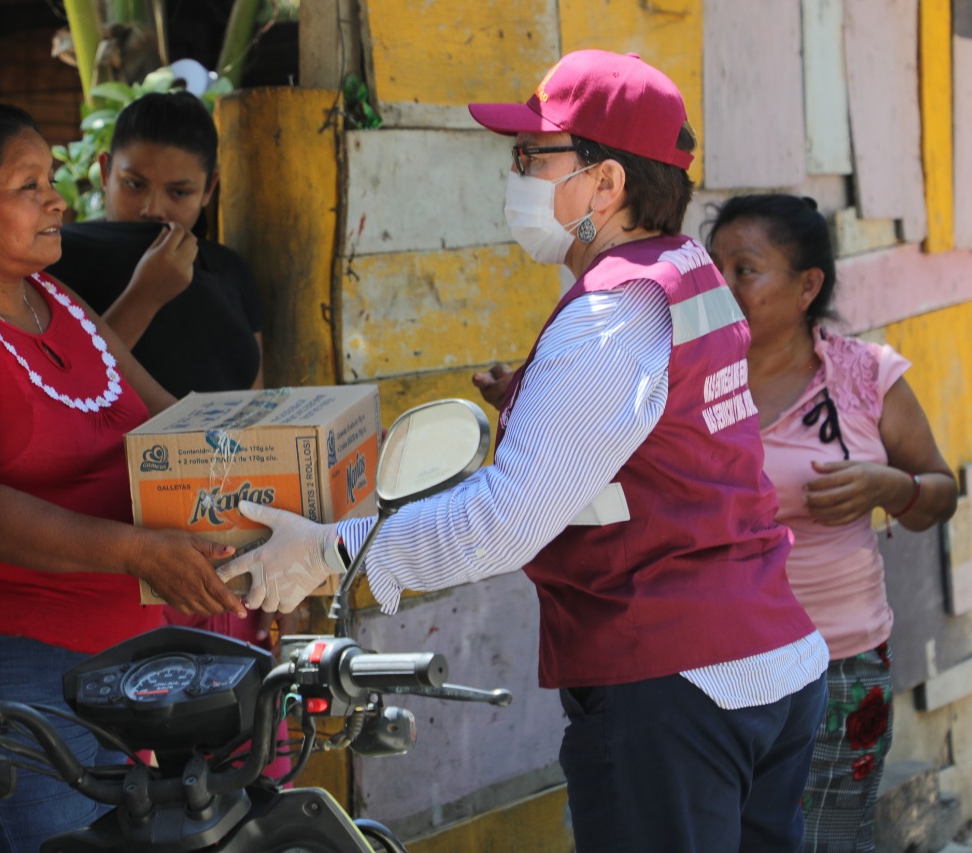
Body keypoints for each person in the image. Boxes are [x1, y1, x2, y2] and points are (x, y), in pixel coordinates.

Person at [220, 50, 831, 851]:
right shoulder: (684, 272)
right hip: (767, 660)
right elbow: (654, 435)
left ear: (605, 183)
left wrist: (330, 551)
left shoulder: (611, 313)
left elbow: (504, 521)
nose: (515, 176)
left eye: (532, 156)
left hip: (677, 681)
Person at [0, 101, 244, 852]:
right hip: (4, 655)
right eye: (29, 186)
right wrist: (137, 550)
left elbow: (175, 423)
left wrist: (306, 457)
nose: (57, 201)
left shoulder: (55, 300)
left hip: (124, 652)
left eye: (52, 182)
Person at [706, 194, 957, 852]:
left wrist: (889, 486)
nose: (721, 284)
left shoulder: (866, 378)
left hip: (838, 664)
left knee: (829, 842)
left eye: (744, 269)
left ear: (807, 286)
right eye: (712, 266)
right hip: (712, 668)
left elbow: (940, 492)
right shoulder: (686, 379)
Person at [47, 90, 263, 399]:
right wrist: (145, 296)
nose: (153, 209)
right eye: (134, 185)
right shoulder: (58, 255)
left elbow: (256, 404)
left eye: (179, 193)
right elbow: (61, 390)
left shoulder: (228, 269)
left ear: (208, 189)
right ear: (106, 171)